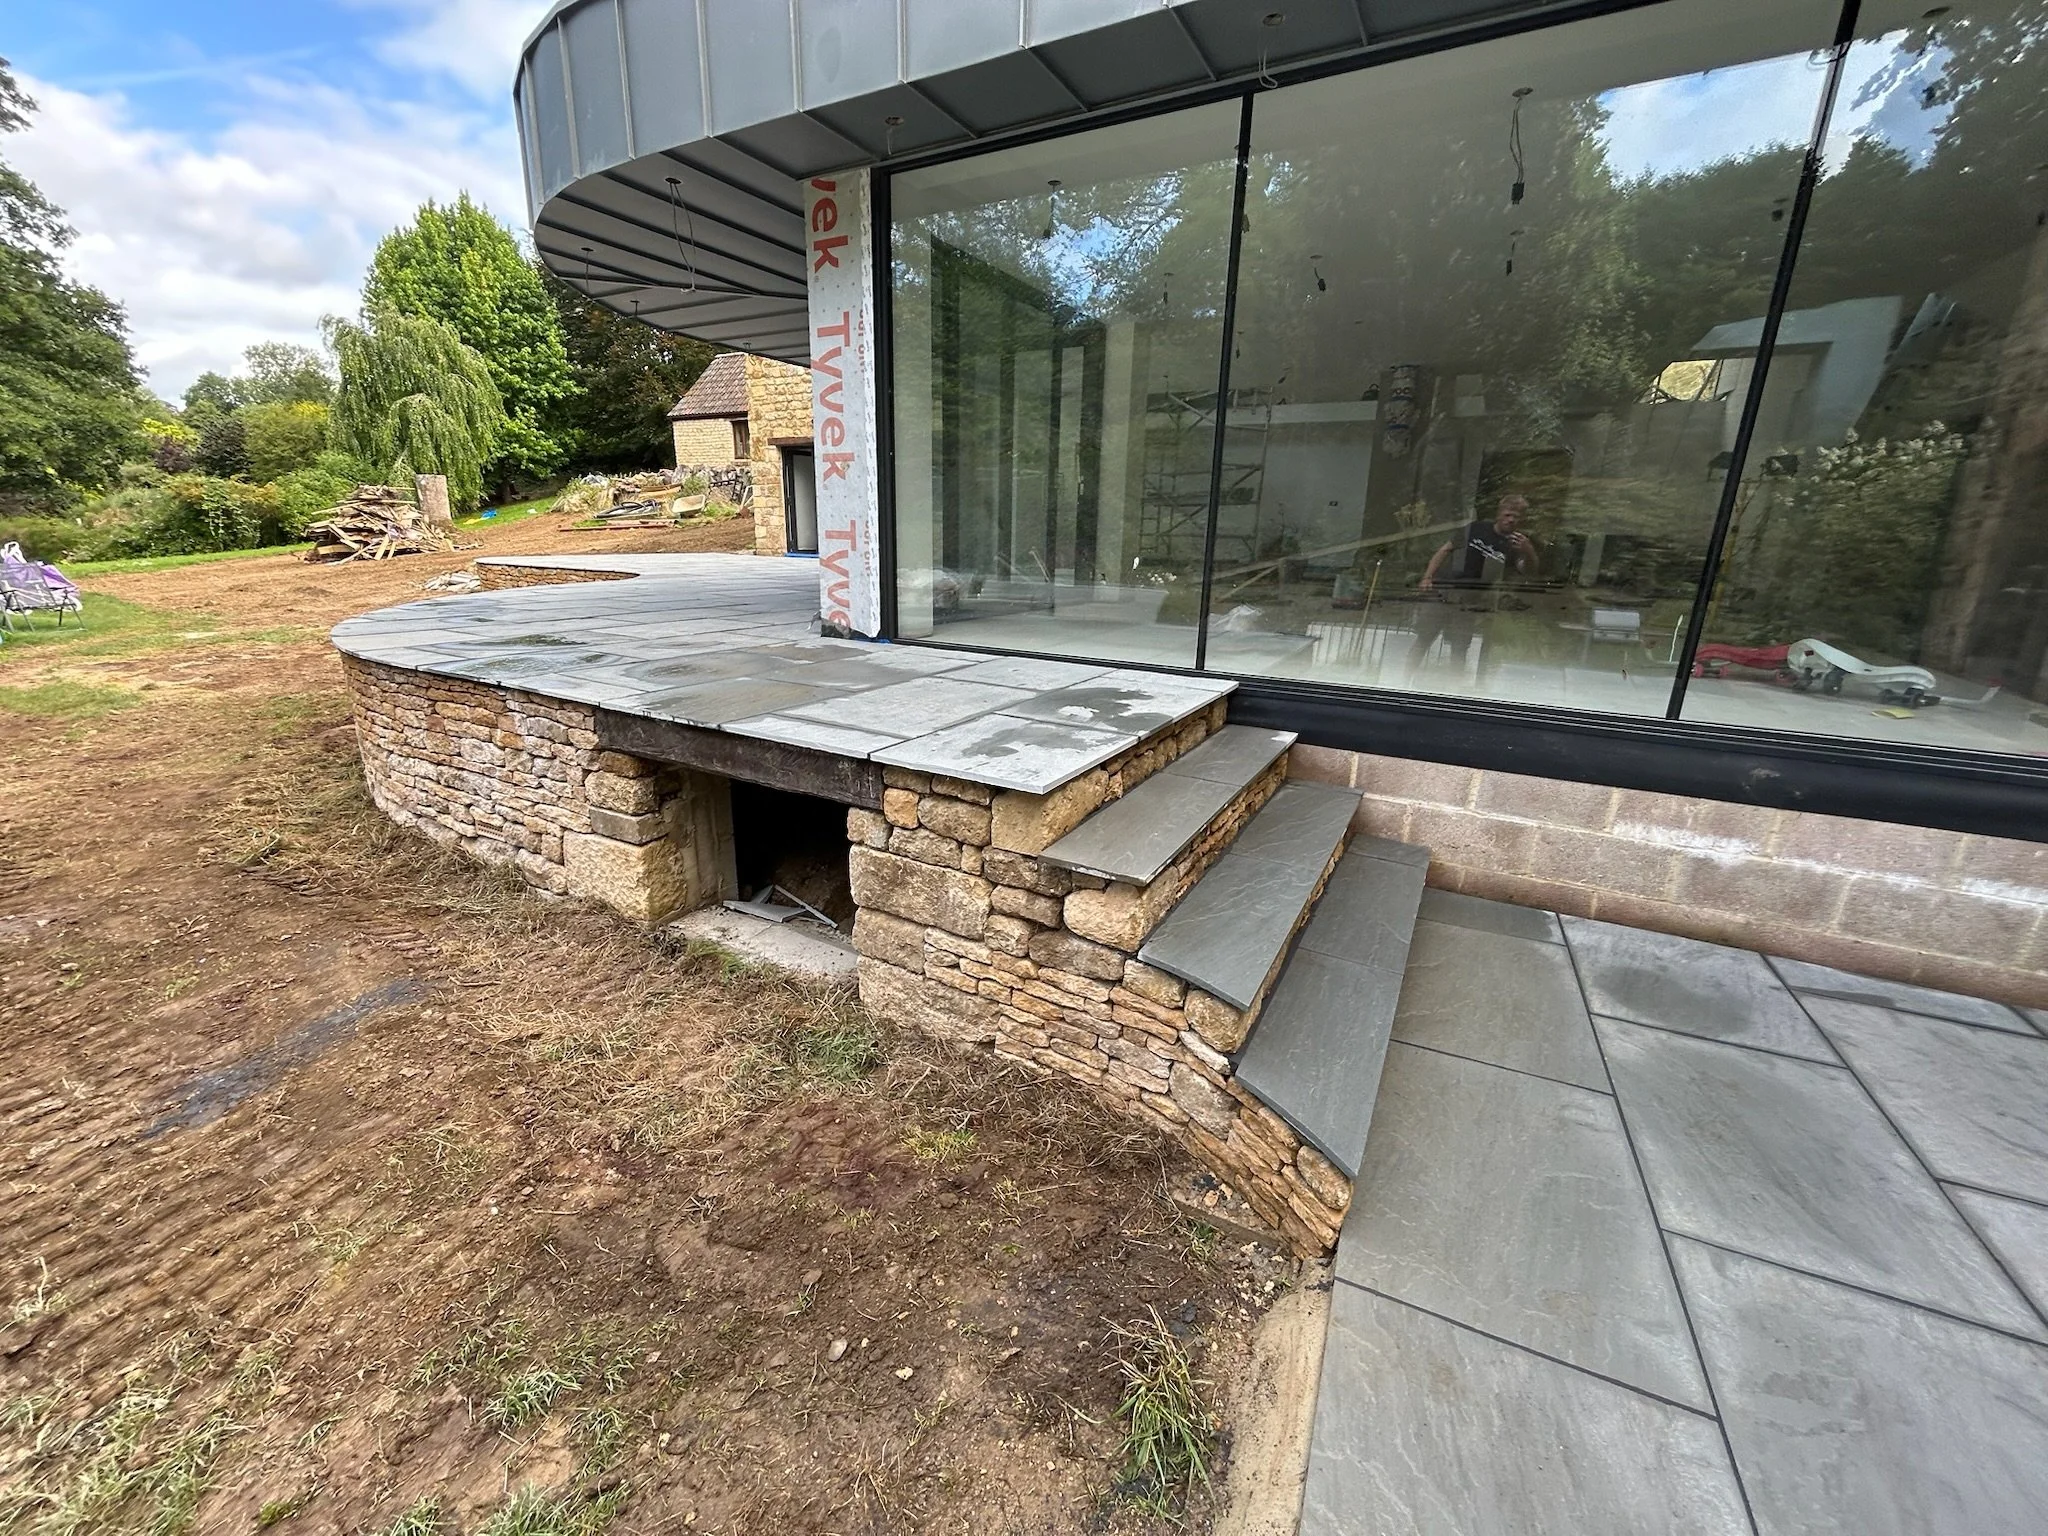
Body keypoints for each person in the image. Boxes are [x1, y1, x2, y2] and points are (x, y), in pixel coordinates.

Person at [1404, 495, 1539, 683]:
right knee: (1423, 639)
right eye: (1508, 514)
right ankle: (1401, 682)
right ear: (1499, 514)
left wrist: (1528, 550)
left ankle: (1455, 693)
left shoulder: (1517, 545)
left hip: (1470, 601)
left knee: (1459, 648)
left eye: (1516, 517)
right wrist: (1427, 577)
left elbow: (1529, 572)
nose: (1511, 520)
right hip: (1443, 590)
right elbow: (1445, 550)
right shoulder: (1476, 528)